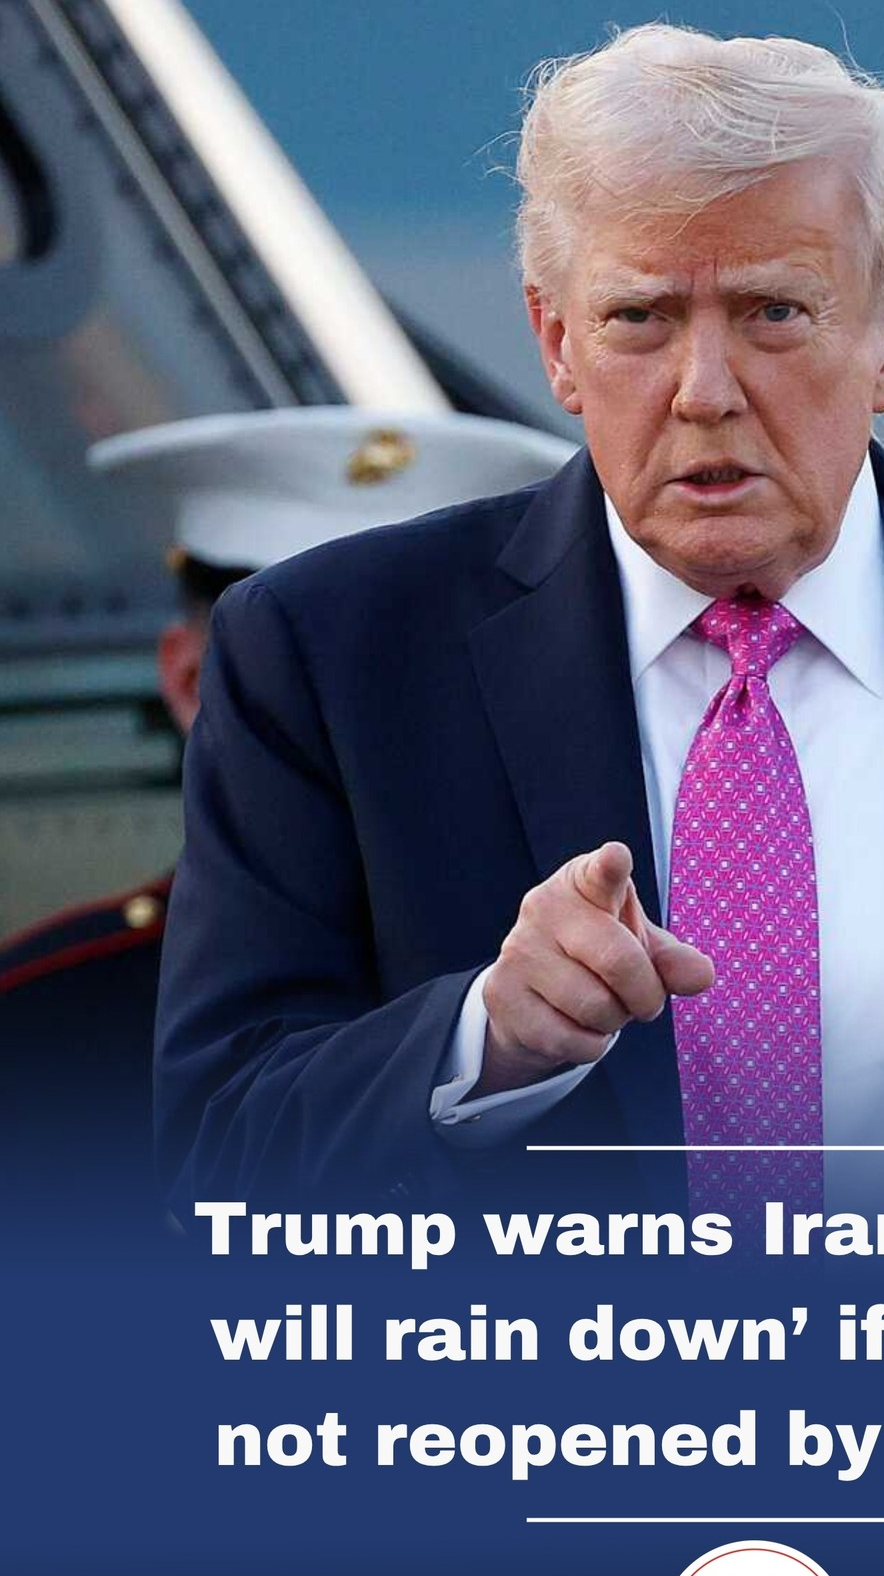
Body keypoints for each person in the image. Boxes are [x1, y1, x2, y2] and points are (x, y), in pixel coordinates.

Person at [154, 25, 884, 1260]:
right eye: (639, 317)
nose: (704, 389)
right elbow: (217, 1162)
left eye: (774, 311)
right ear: (557, 342)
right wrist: (485, 1041)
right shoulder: (333, 661)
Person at [0, 407, 573, 1220]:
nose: (355, 724)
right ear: (190, 683)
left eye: (414, 683)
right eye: (289, 675)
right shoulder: (45, 1030)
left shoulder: (613, 987)